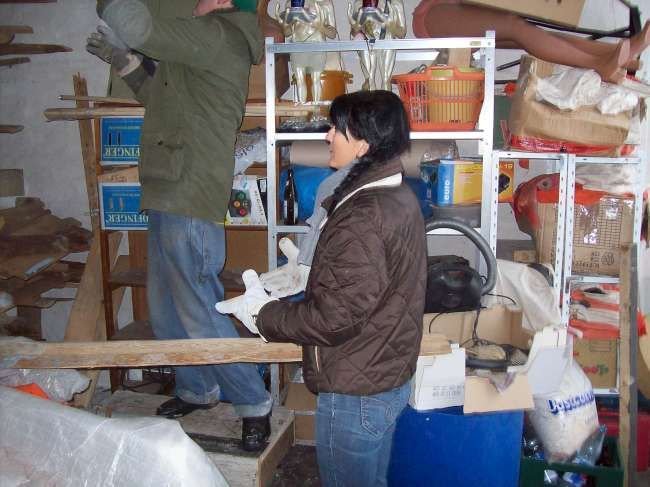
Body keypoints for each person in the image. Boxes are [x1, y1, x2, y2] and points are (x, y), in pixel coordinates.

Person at [86, 0, 273, 452]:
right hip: (169, 185)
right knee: (167, 305)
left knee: (198, 308)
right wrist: (125, 62)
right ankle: (197, 388)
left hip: (188, 189)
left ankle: (253, 402)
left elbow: (139, 26)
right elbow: (160, 96)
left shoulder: (216, 33)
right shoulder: (203, 41)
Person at [217, 90, 427, 486]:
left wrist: (264, 316)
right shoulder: (394, 195)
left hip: (355, 392)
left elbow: (334, 319)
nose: (328, 136)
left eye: (337, 129)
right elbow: (371, 285)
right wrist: (313, 270)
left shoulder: (363, 215)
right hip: (381, 375)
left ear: (363, 143)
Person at [411, 0, 650, 83]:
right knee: (515, 27)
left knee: (530, 35)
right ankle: (600, 65)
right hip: (432, 14)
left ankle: (617, 55)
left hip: (442, 9)